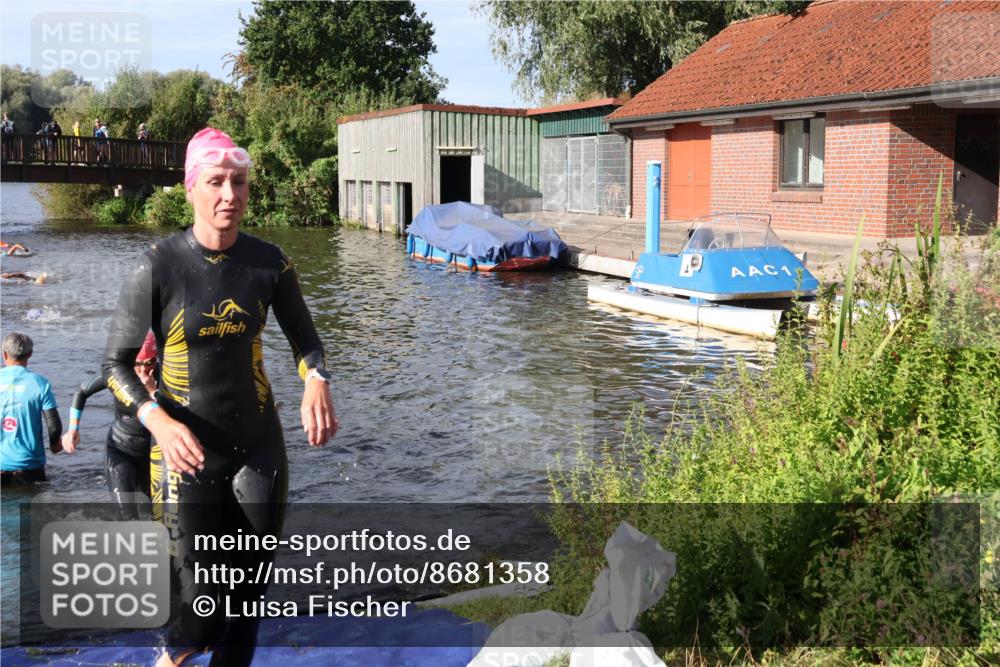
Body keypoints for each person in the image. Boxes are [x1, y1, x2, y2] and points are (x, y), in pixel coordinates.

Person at [102, 127, 338, 667]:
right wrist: (157, 420)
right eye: (215, 182)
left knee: (246, 608)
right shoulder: (157, 266)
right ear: (190, 189)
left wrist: (316, 380)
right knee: (203, 614)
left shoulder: (269, 263)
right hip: (183, 454)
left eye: (239, 182)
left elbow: (306, 341)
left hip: (258, 448)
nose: (229, 195)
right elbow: (114, 365)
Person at [63, 332, 158, 514]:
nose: (143, 370)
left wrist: (153, 392)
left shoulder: (167, 376)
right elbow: (81, 391)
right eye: (137, 364)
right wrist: (73, 429)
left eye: (149, 363)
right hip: (121, 449)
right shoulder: (119, 373)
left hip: (154, 453)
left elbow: (180, 412)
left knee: (152, 514)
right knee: (126, 514)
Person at [1, 332, 65, 486]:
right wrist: (55, 445)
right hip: (30, 467)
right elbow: (53, 424)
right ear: (29, 354)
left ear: (4, 354)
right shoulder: (40, 383)